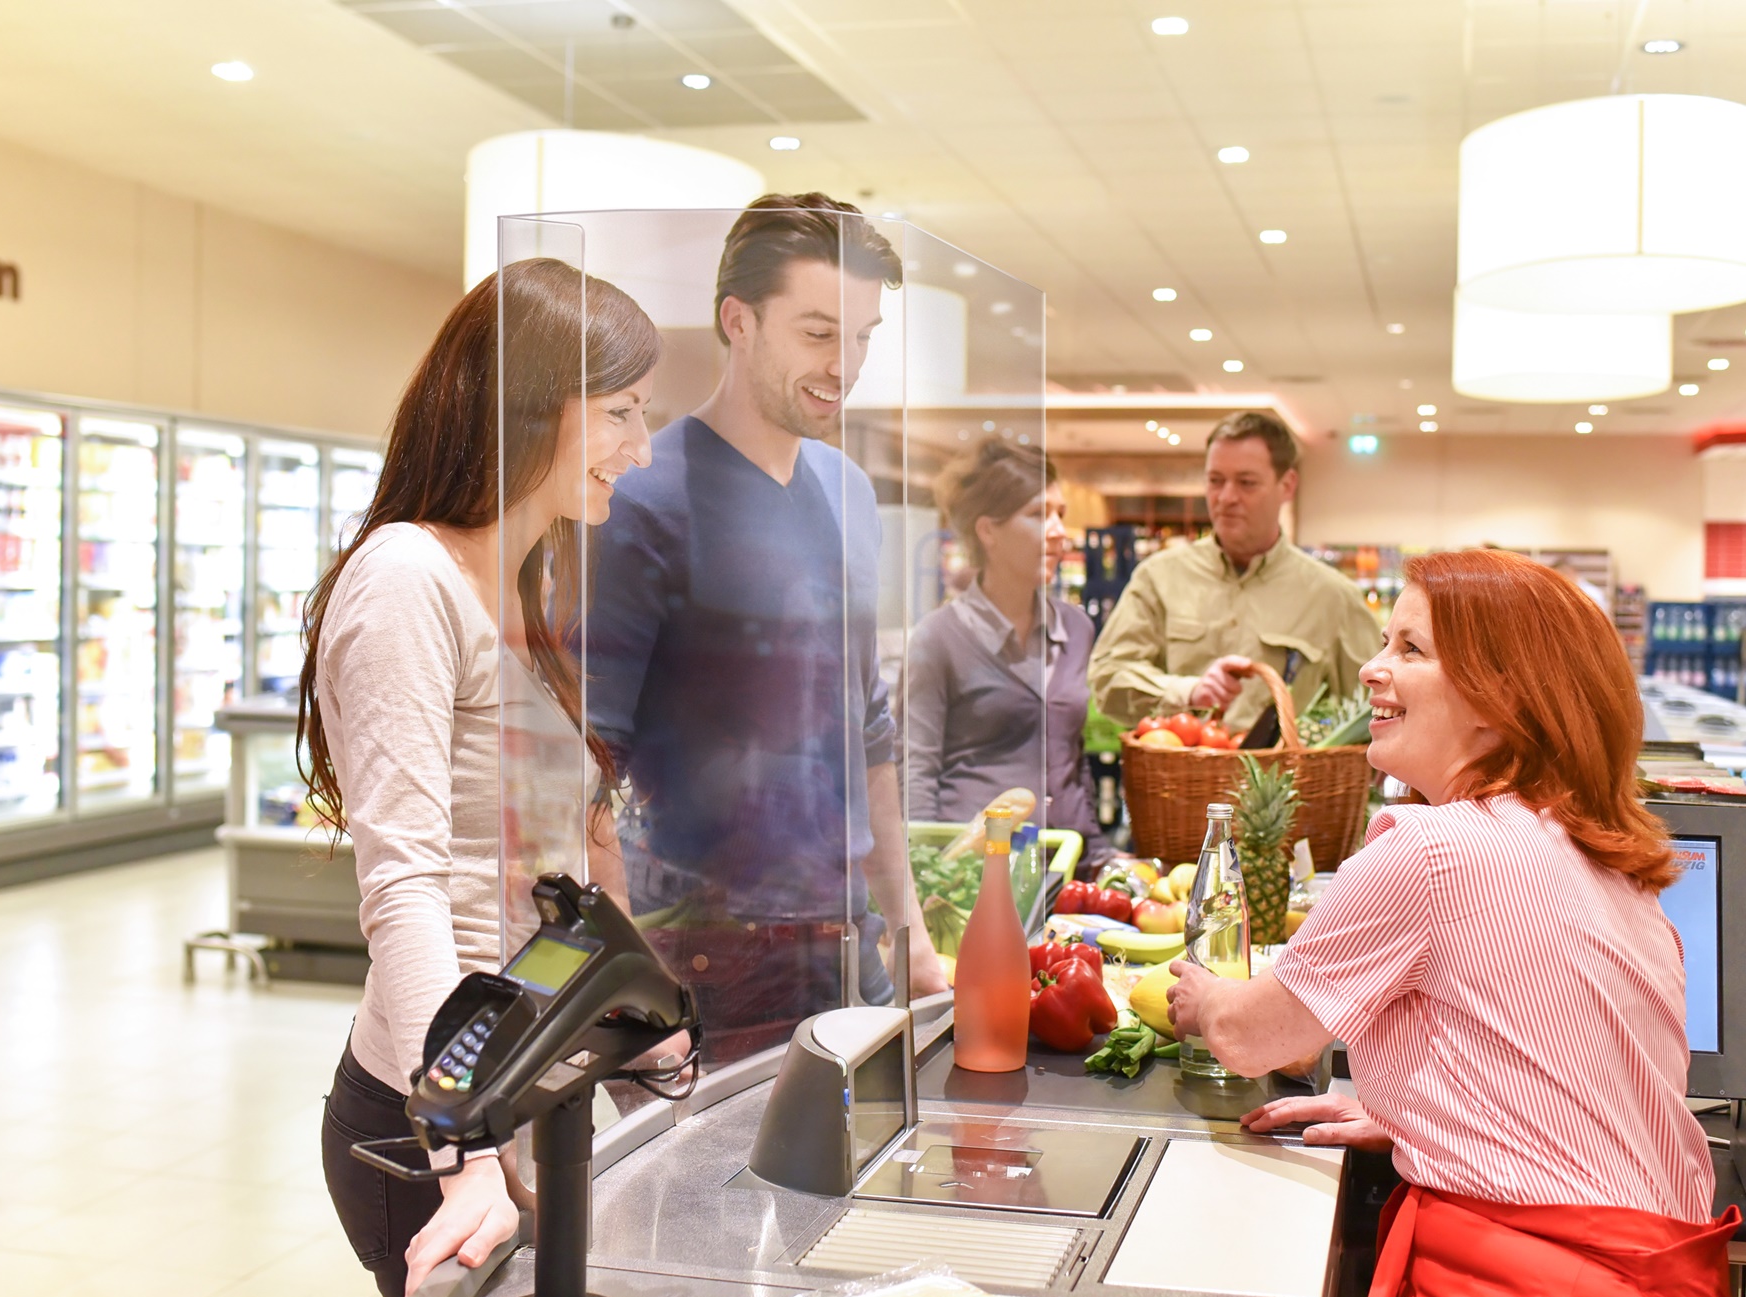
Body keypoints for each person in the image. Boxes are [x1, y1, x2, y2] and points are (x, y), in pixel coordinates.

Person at [1165, 549, 1738, 1297]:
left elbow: (1252, 1036)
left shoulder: (1432, 850)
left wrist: (1203, 996)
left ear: (1502, 697)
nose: (1373, 669)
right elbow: (1562, 1064)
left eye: (1411, 649)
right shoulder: (1615, 869)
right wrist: (1424, 1113)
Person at [300, 259, 659, 1297]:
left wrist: (636, 1017)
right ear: (529, 408)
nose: (638, 452)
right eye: (622, 414)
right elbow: (404, 884)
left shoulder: (514, 582)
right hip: (433, 1114)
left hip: (513, 1077)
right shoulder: (408, 577)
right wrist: (456, 1150)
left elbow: (556, 864)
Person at [586, 193, 945, 1060]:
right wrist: (624, 986)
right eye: (820, 333)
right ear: (736, 321)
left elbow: (872, 732)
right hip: (706, 950)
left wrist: (913, 935)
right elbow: (586, 764)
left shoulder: (851, 491)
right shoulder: (639, 495)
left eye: (863, 336)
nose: (845, 365)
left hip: (847, 941)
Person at [1087, 410, 1380, 732]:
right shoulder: (1158, 577)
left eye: (1246, 483)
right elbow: (1107, 677)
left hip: (1291, 780)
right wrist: (1189, 692)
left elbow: (1375, 706)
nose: (1226, 497)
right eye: (1215, 481)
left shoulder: (1333, 597)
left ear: (1287, 486)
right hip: (1176, 777)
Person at [904, 438, 1115, 871]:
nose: (1058, 531)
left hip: (1067, 866)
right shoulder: (939, 638)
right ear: (988, 531)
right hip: (976, 875)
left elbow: (1072, 765)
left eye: (1060, 514)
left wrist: (1099, 853)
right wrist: (926, 878)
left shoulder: (1075, 629)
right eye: (1039, 515)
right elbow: (915, 774)